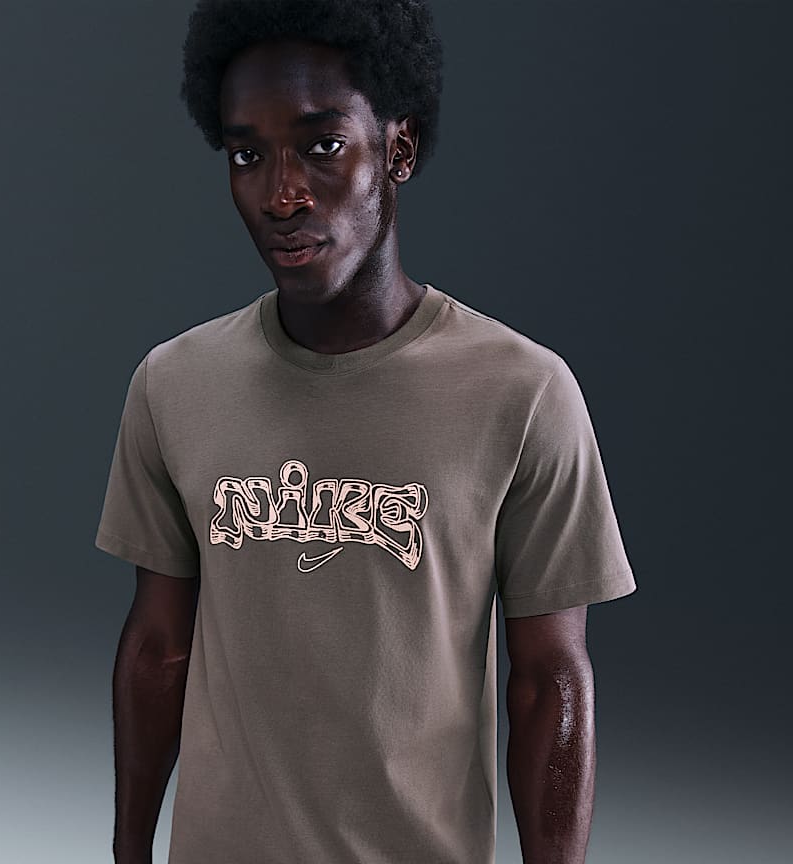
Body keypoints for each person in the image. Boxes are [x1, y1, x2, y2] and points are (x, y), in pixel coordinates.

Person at [94, 1, 638, 862]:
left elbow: (548, 682)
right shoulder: (173, 384)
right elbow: (159, 648)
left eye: (322, 145)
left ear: (399, 149)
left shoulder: (524, 393)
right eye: (248, 155)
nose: (282, 193)